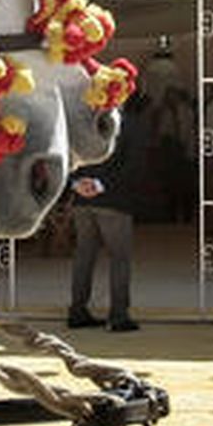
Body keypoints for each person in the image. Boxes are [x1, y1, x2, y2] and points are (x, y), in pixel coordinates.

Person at [67, 86, 152, 332]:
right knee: (119, 258)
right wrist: (100, 184)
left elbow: (70, 156)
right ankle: (118, 316)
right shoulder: (130, 124)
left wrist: (76, 183)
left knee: (84, 257)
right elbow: (135, 165)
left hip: (83, 200)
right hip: (114, 201)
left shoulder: (83, 122)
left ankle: (77, 311)